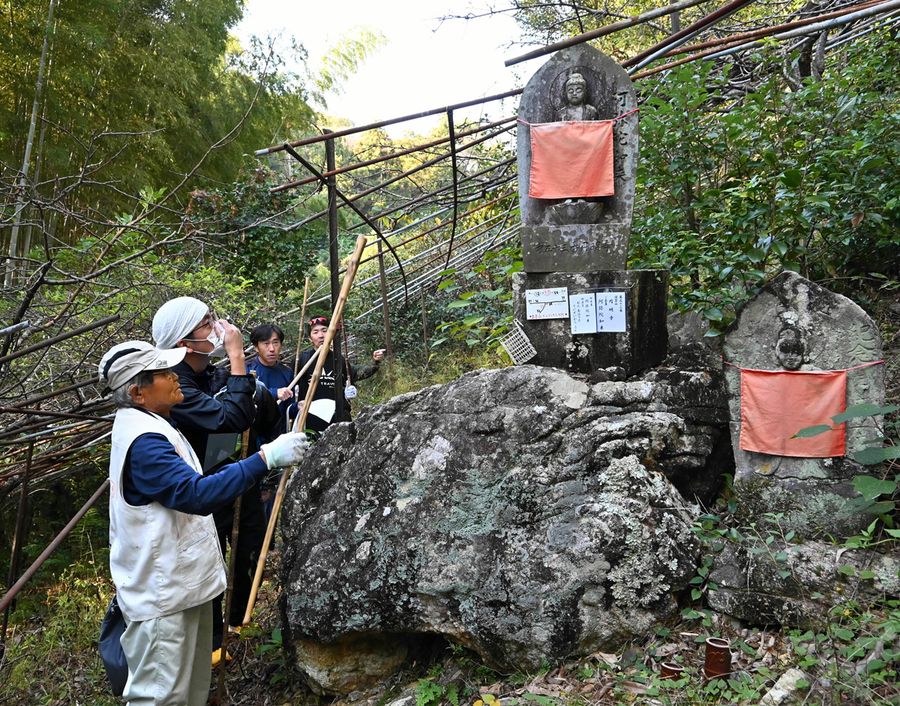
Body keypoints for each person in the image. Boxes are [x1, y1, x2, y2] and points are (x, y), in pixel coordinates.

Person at [100, 340, 308, 706]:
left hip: (181, 588)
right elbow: (195, 494)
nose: (175, 377)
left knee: (190, 693)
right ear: (138, 392)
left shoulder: (153, 423)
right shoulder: (144, 441)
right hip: (164, 599)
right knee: (162, 697)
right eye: (164, 373)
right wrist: (264, 459)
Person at [152, 296, 270, 662]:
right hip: (200, 488)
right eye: (206, 324)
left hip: (232, 471)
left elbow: (249, 410)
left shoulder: (209, 373)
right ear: (184, 342)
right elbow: (229, 418)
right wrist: (237, 356)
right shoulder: (175, 384)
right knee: (209, 559)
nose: (217, 328)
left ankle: (239, 621)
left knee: (249, 543)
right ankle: (214, 642)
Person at [295, 315, 385, 435]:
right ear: (310, 338)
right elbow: (289, 386)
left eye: (324, 330)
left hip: (336, 416)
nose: (321, 335)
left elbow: (356, 373)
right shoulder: (302, 360)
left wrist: (375, 362)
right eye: (315, 332)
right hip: (310, 417)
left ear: (331, 334)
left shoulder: (338, 359)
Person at [248, 323, 296, 437]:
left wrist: (298, 406)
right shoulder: (247, 370)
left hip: (278, 436)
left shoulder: (287, 373)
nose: (272, 349)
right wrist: (274, 393)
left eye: (275, 343)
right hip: (253, 436)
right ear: (256, 347)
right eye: (266, 343)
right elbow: (244, 400)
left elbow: (289, 409)